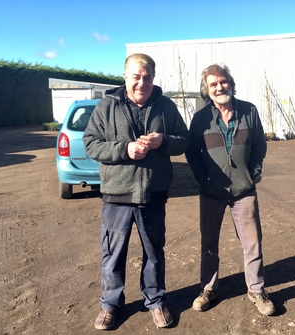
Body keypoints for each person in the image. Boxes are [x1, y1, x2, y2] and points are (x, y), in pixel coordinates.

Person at [83, 53, 189, 330]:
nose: (142, 83)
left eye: (147, 77)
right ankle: (110, 305)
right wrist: (124, 149)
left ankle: (155, 301)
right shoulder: (106, 106)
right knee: (113, 253)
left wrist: (163, 140)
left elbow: (184, 141)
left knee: (154, 253)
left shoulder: (166, 106)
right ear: (125, 76)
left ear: (154, 78)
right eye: (136, 76)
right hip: (117, 195)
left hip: (153, 195)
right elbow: (91, 144)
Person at [185, 63, 275, 316]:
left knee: (252, 243)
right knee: (209, 244)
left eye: (223, 82)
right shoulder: (201, 118)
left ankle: (256, 290)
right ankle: (209, 289)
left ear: (231, 84)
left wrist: (253, 173)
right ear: (207, 90)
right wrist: (203, 180)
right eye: (213, 84)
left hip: (243, 191)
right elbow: (192, 152)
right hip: (211, 192)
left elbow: (259, 145)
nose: (219, 87)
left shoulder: (249, 111)